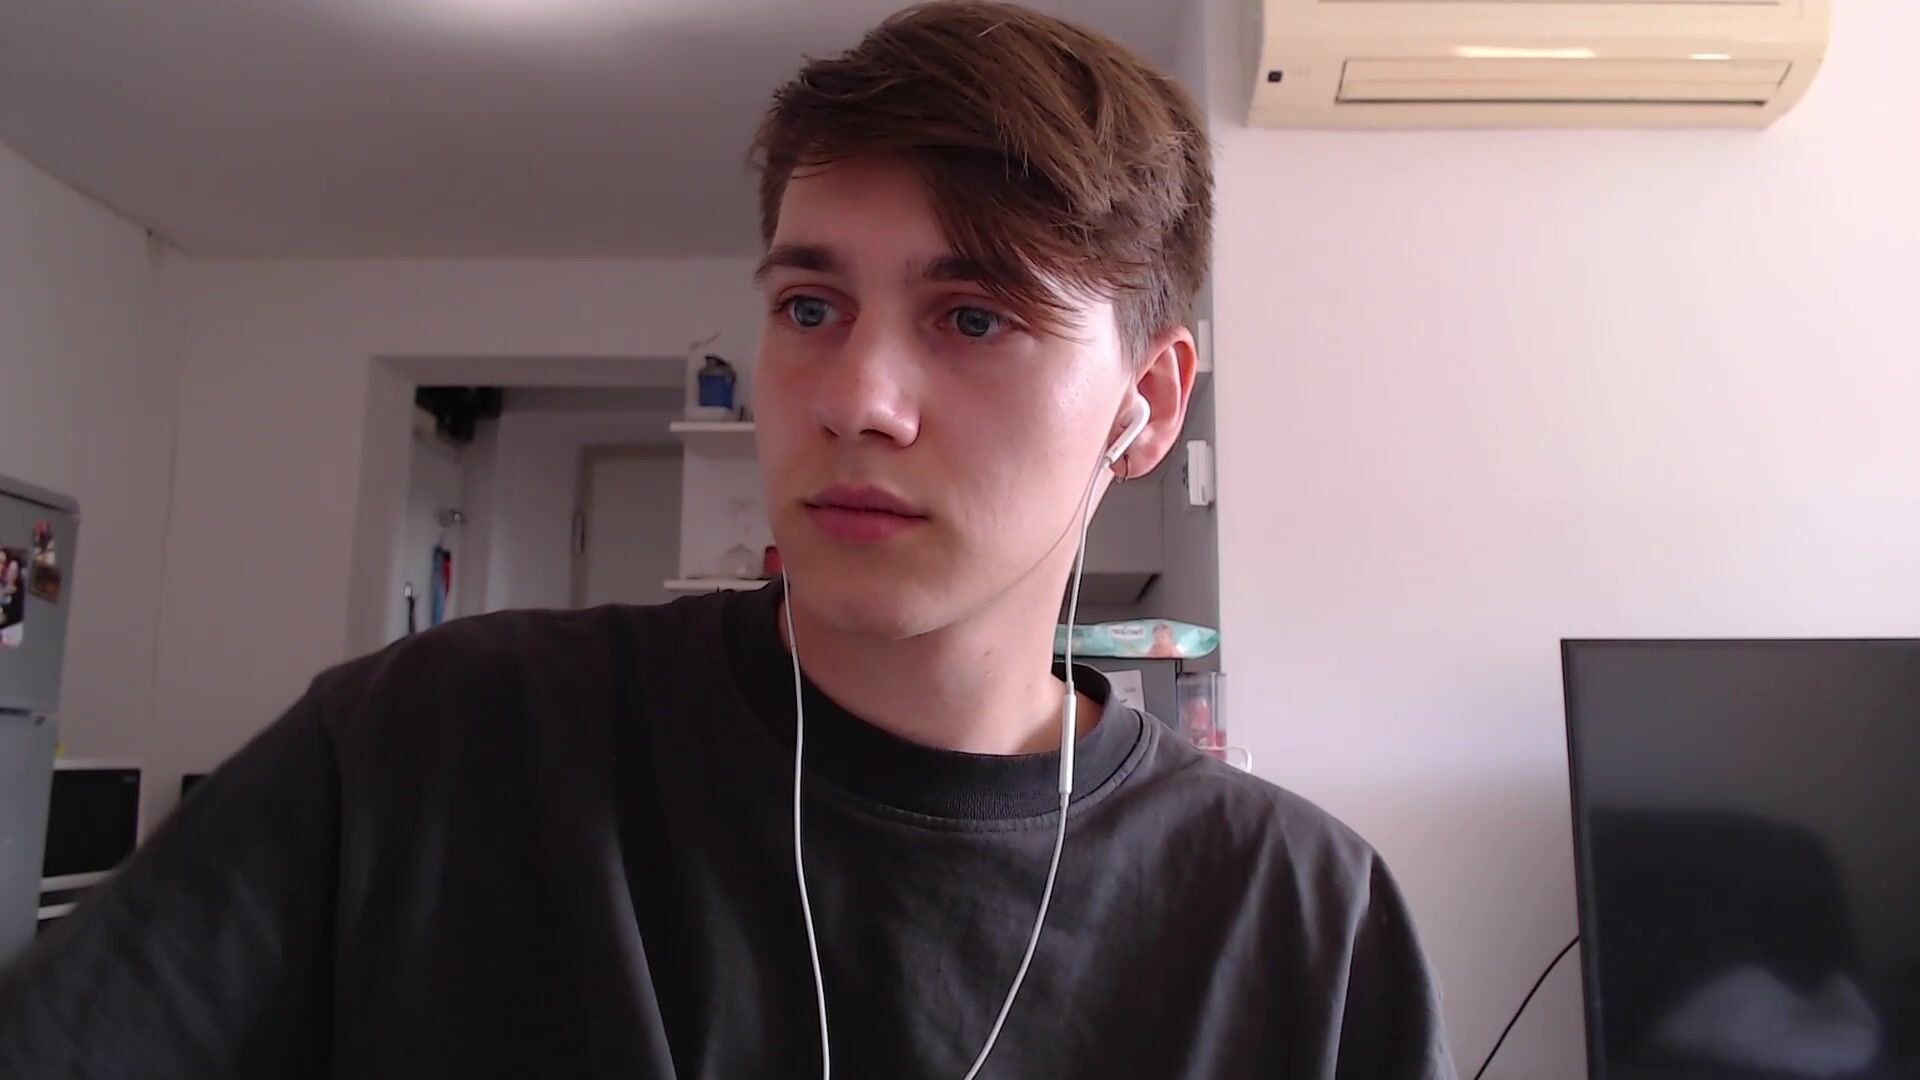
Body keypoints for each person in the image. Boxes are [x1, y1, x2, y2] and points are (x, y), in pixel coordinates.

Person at [0, 3, 1455, 1077]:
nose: (858, 399)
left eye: (974, 318)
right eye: (811, 308)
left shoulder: (1296, 921)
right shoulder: (430, 747)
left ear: (1146, 405)